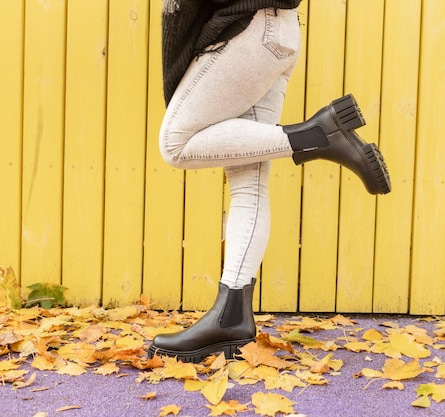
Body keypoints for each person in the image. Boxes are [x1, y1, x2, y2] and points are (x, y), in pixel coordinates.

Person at [148, 0, 391, 364]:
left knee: (175, 143)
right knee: (249, 181)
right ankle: (232, 317)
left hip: (247, 29)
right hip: (277, 31)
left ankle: (317, 136)